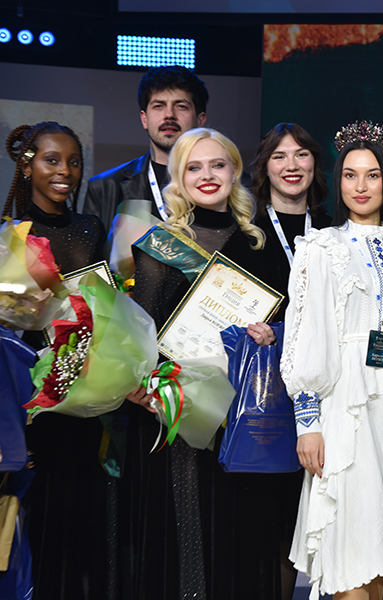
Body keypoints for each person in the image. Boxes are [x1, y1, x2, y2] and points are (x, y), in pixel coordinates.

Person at [281, 121, 383, 600]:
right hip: (345, 403)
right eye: (350, 175)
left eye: (372, 175)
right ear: (338, 181)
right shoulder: (320, 247)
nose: (360, 186)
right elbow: (305, 335)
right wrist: (308, 422)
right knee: (349, 553)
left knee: (380, 559)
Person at [123, 127, 273, 600]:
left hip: (241, 414)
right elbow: (141, 330)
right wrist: (145, 387)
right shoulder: (161, 244)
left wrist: (271, 335)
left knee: (237, 537)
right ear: (178, 177)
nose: (207, 175)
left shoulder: (260, 243)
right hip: (176, 412)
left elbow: (284, 325)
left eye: (217, 165)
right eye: (194, 167)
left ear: (235, 171)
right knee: (183, 533)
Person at [5, 122, 111, 599]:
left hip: (90, 395)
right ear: (28, 167)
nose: (64, 171)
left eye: (73, 161)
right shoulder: (12, 235)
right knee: (40, 521)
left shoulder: (91, 228)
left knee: (86, 524)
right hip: (35, 402)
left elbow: (109, 303)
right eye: (52, 160)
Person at [82, 65, 208, 228]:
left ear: (200, 120)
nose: (169, 115)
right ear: (144, 119)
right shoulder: (105, 187)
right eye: (159, 106)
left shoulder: (223, 184)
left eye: (181, 106)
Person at [251, 122, 332, 321]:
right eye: (279, 157)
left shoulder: (332, 231)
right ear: (265, 167)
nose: (292, 166)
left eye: (301, 155)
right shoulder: (248, 232)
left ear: (314, 163)